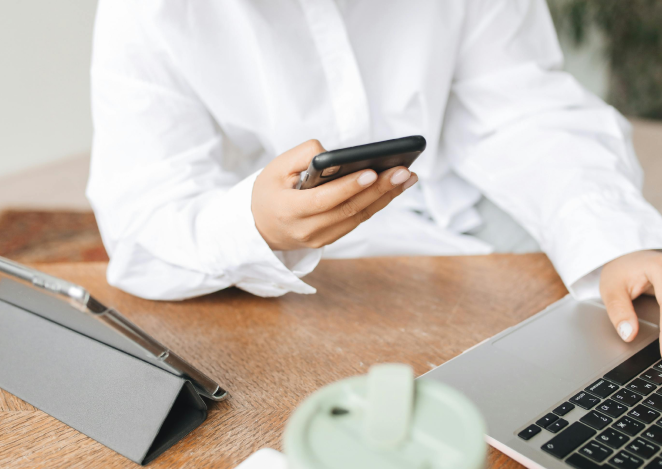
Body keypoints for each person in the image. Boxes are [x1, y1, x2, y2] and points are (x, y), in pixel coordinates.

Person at [88, 0, 662, 346]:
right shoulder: (146, 13)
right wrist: (256, 226)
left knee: (600, 341)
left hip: (468, 196)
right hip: (284, 268)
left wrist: (617, 242)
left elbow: (525, 103)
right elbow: (142, 215)